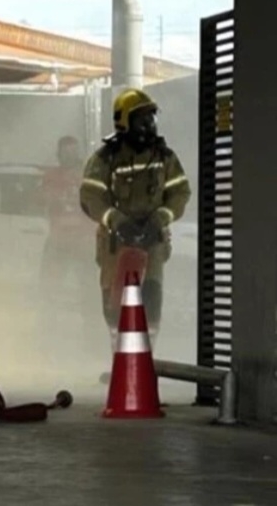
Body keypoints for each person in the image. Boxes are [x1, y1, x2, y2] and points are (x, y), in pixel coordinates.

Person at [79, 88, 192, 348]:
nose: (149, 125)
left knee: (151, 301)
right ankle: (120, 356)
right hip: (116, 242)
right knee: (115, 305)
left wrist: (160, 218)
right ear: (125, 122)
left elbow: (180, 193)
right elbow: (90, 197)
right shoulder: (105, 158)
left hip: (152, 242)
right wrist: (117, 221)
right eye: (143, 119)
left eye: (152, 118)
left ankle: (145, 356)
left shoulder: (164, 157)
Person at [39, 136, 98, 348]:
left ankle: (92, 340)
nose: (70, 156)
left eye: (73, 152)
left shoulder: (89, 176)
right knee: (50, 291)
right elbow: (44, 200)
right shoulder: (51, 176)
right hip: (59, 242)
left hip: (85, 243)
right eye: (66, 152)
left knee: (89, 293)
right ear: (59, 154)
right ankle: (47, 339)